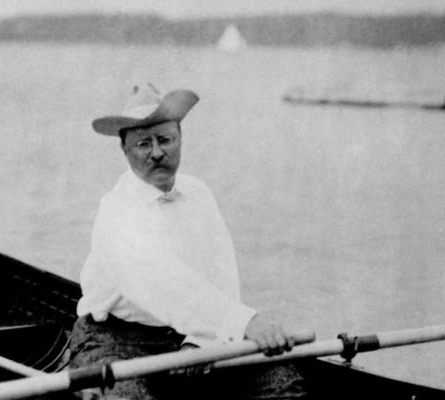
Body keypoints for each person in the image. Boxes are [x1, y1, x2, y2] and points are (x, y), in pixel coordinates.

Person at [70, 83, 310, 399]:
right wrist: (243, 322)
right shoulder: (115, 211)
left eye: (165, 140)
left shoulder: (199, 193)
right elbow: (158, 281)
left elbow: (221, 275)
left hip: (186, 332)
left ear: (180, 139)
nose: (156, 152)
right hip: (112, 339)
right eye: (143, 143)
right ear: (124, 150)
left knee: (283, 386)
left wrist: (201, 341)